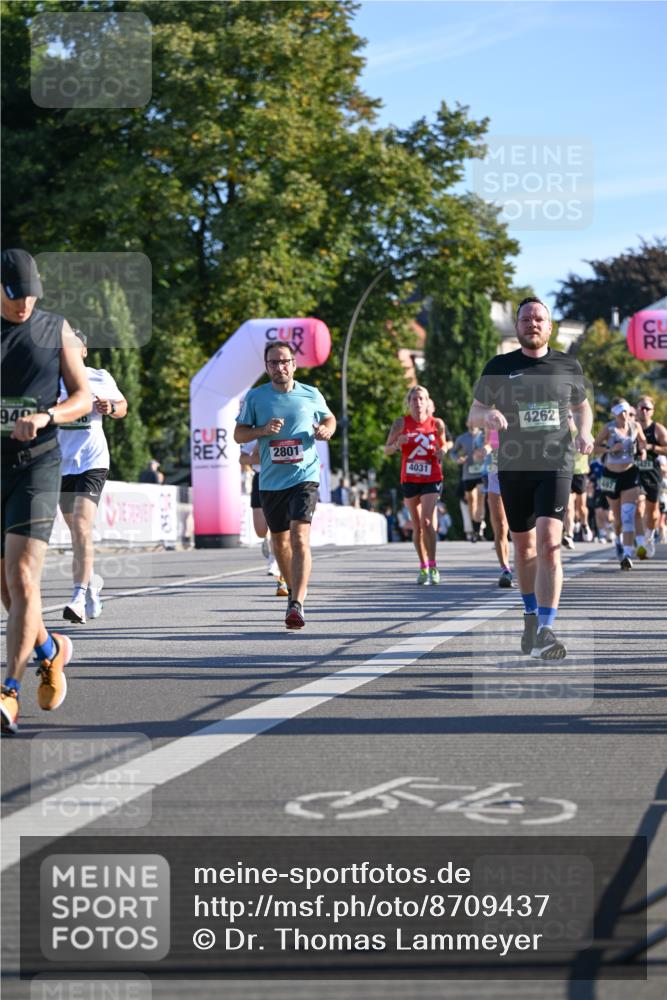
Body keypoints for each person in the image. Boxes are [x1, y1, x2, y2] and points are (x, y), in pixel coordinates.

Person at [469, 296, 593, 660]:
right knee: (523, 549)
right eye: (526, 319)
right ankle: (530, 614)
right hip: (514, 467)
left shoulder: (567, 364)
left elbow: (582, 407)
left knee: (550, 544)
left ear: (550, 327)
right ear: (518, 326)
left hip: (555, 464)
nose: (532, 324)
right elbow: (474, 412)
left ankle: (546, 628)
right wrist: (487, 417)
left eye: (539, 319)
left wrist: (585, 432)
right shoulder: (499, 366)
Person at [1, 249, 91, 733]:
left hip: (38, 463)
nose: (25, 305)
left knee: (22, 577)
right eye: (16, 296)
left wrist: (47, 415)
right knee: (8, 589)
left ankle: (9, 692)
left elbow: (83, 397)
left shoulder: (57, 329)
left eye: (31, 296)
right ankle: (50, 649)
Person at [234, 341, 336, 629]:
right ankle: (292, 590)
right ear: (267, 367)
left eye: (284, 361)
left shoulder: (311, 393)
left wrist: (326, 429)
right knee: (279, 542)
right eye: (273, 363)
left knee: (299, 537)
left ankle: (297, 603)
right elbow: (239, 435)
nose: (279, 367)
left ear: (294, 364)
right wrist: (262, 430)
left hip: (304, 476)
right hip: (271, 481)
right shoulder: (256, 397)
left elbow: (329, 418)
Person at [58, 331, 128, 624]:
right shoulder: (50, 381)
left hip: (92, 462)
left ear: (84, 351)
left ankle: (77, 597)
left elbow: (122, 407)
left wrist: (110, 408)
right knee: (77, 532)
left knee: (82, 526)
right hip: (61, 465)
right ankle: (91, 586)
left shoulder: (98, 376)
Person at [384, 385, 446, 584]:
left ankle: (433, 566)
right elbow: (387, 450)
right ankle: (423, 566)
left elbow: (443, 444)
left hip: (431, 477)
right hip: (410, 478)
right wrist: (397, 444)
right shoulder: (401, 423)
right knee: (417, 526)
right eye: (414, 399)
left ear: (427, 402)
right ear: (408, 403)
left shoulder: (437, 423)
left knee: (427, 522)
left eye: (421, 399)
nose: (418, 403)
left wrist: (442, 451)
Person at [592, 399, 647, 570]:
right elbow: (594, 447)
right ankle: (617, 540)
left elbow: (643, 443)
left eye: (626, 411)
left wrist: (643, 451)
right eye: (620, 412)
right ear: (614, 413)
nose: (624, 415)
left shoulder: (635, 426)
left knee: (627, 515)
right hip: (610, 476)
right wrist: (609, 449)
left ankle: (627, 554)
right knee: (617, 519)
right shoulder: (608, 428)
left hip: (630, 474)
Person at [239, 440, 288, 596]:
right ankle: (268, 540)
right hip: (261, 478)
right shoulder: (255, 433)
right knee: (260, 530)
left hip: (282, 478)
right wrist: (258, 458)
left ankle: (278, 569)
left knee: (279, 530)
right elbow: (242, 459)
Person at [635, 395, 667, 559]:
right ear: (636, 409)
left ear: (652, 411)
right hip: (634, 472)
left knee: (653, 512)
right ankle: (640, 541)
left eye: (647, 408)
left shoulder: (658, 429)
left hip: (652, 473)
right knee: (638, 506)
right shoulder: (631, 426)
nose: (644, 411)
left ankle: (649, 537)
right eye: (641, 408)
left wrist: (651, 447)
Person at [483, 427, 514, 587]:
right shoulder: (493, 423)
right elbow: (488, 443)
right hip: (496, 475)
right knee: (500, 525)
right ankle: (505, 569)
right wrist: (486, 449)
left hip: (519, 476)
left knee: (525, 527)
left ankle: (530, 565)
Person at [452, 422, 487, 541]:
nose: (472, 425)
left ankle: (478, 529)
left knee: (480, 498)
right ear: (467, 424)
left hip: (482, 472)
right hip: (468, 474)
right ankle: (474, 528)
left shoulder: (484, 435)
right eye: (470, 422)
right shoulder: (461, 438)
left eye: (474, 422)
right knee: (471, 501)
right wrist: (458, 459)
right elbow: (453, 452)